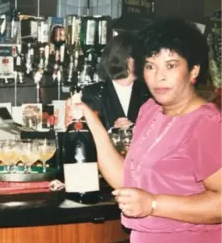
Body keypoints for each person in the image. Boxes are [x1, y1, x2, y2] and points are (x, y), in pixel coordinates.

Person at [69, 18, 221, 242]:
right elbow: (126, 181)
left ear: (193, 71)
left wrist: (153, 204)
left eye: (171, 65)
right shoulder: (150, 111)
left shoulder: (206, 124)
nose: (159, 76)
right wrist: (91, 122)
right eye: (150, 66)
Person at [80, 32, 151, 131]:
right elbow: (87, 133)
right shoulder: (93, 93)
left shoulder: (147, 92)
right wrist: (112, 131)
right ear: (126, 59)